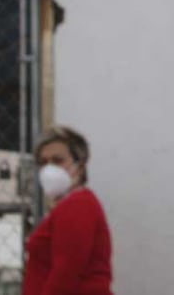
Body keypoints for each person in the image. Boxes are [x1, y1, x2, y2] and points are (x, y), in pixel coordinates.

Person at [23, 125, 114, 295]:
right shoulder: (72, 205)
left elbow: (65, 274)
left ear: (79, 166)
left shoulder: (77, 205)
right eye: (43, 162)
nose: (49, 169)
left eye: (58, 161)